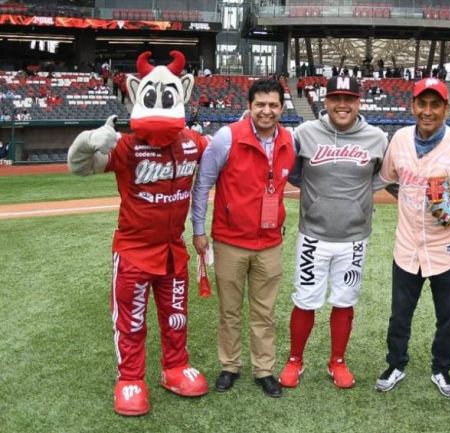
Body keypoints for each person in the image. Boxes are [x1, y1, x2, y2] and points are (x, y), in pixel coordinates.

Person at [66, 51, 209, 416]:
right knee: (130, 320)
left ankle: (174, 368)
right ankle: (130, 377)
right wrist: (87, 142)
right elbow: (80, 168)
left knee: (176, 316)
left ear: (184, 93)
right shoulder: (127, 146)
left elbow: (223, 154)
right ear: (134, 93)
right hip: (133, 250)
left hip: (173, 250)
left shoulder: (193, 143)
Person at [374, 78, 450, 398]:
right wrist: (410, 200)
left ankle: (442, 368)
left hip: (447, 247)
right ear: (413, 106)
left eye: (435, 104)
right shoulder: (399, 140)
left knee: (447, 316)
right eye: (422, 103)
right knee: (400, 314)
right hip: (407, 245)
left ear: (446, 108)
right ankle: (396, 363)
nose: (427, 110)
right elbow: (388, 179)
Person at [278, 75, 388, 389]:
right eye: (336, 98)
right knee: (305, 300)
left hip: (354, 238)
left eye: (349, 98)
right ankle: (295, 360)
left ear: (359, 102)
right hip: (313, 234)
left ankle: (337, 361)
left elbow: (381, 178)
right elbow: (295, 175)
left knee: (344, 301)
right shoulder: (305, 133)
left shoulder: (377, 138)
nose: (342, 104)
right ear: (325, 101)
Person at [191, 79, 295, 397]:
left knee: (265, 312)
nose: (267, 110)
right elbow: (203, 183)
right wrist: (198, 230)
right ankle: (230, 365)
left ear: (281, 108)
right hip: (230, 241)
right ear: (250, 106)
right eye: (260, 104)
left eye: (273, 105)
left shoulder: (290, 141)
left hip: (269, 243)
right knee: (230, 310)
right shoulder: (227, 137)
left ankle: (264, 370)